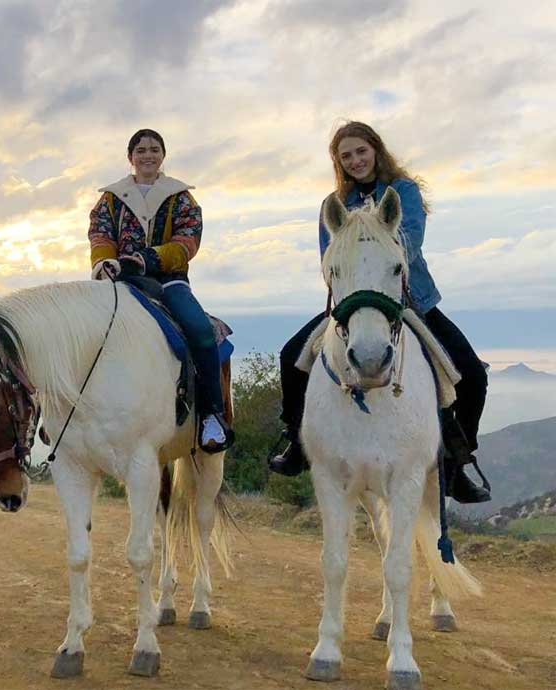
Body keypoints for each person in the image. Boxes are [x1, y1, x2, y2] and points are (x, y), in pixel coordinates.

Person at [269, 121, 490, 504]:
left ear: (375, 149)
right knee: (291, 356)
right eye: (346, 156)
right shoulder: (333, 205)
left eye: (361, 151)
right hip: (353, 306)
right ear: (338, 162)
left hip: (411, 302)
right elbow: (329, 256)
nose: (355, 160)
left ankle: (458, 460)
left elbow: (409, 243)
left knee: (471, 375)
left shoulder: (403, 192)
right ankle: (296, 442)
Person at [88, 128, 234, 452]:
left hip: (170, 280)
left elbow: (187, 241)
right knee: (86, 331)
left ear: (163, 155)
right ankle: (80, 414)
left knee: (199, 329)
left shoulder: (181, 196)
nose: (148, 155)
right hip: (123, 281)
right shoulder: (111, 198)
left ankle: (211, 414)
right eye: (141, 150)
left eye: (154, 149)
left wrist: (149, 257)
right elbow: (100, 234)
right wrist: (104, 263)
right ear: (131, 157)